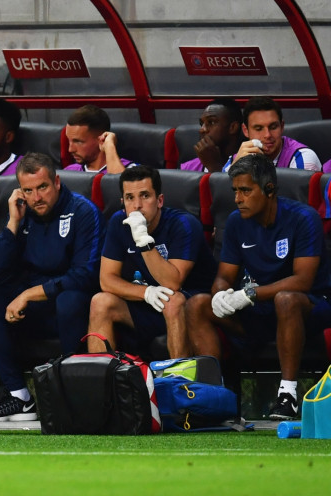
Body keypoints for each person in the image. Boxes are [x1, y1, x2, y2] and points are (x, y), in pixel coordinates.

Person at [186, 154, 331, 420]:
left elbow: (303, 281)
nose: (238, 199)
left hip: (309, 310)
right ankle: (212, 397)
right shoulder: (235, 222)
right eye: (235, 191)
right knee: (197, 304)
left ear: (269, 190)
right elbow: (224, 276)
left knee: (286, 299)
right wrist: (220, 294)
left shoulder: (303, 218)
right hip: (259, 313)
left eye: (245, 191)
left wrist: (248, 294)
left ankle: (288, 396)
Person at [0, 152, 105, 421]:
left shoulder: (82, 211)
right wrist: (12, 223)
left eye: (42, 187)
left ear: (56, 182)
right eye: (28, 190)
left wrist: (28, 295)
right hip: (31, 310)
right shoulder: (22, 214)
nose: (36, 197)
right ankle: (19, 396)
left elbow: (85, 275)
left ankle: (70, 393)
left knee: (71, 299)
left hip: (68, 308)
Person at [87, 166, 216, 358]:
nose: (137, 205)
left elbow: (172, 283)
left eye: (145, 196)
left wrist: (143, 240)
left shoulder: (184, 224)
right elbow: (107, 280)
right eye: (130, 198)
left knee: (172, 300)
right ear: (123, 203)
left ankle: (179, 381)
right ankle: (103, 382)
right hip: (146, 304)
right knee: (100, 302)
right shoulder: (118, 222)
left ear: (160, 200)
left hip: (186, 308)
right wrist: (146, 293)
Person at [224, 96, 322, 172]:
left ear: (282, 126)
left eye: (273, 127)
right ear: (245, 130)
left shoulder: (303, 159)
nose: (267, 135)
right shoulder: (236, 159)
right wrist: (236, 169)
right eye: (258, 129)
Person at [63, 104, 137, 174]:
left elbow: (118, 184)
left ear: (101, 140)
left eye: (78, 142)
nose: (70, 149)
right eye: (69, 141)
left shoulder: (131, 170)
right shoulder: (69, 172)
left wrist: (109, 146)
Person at [180, 98, 245, 173]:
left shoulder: (248, 165)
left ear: (232, 127)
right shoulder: (188, 167)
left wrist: (214, 167)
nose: (202, 129)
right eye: (201, 124)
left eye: (211, 122)